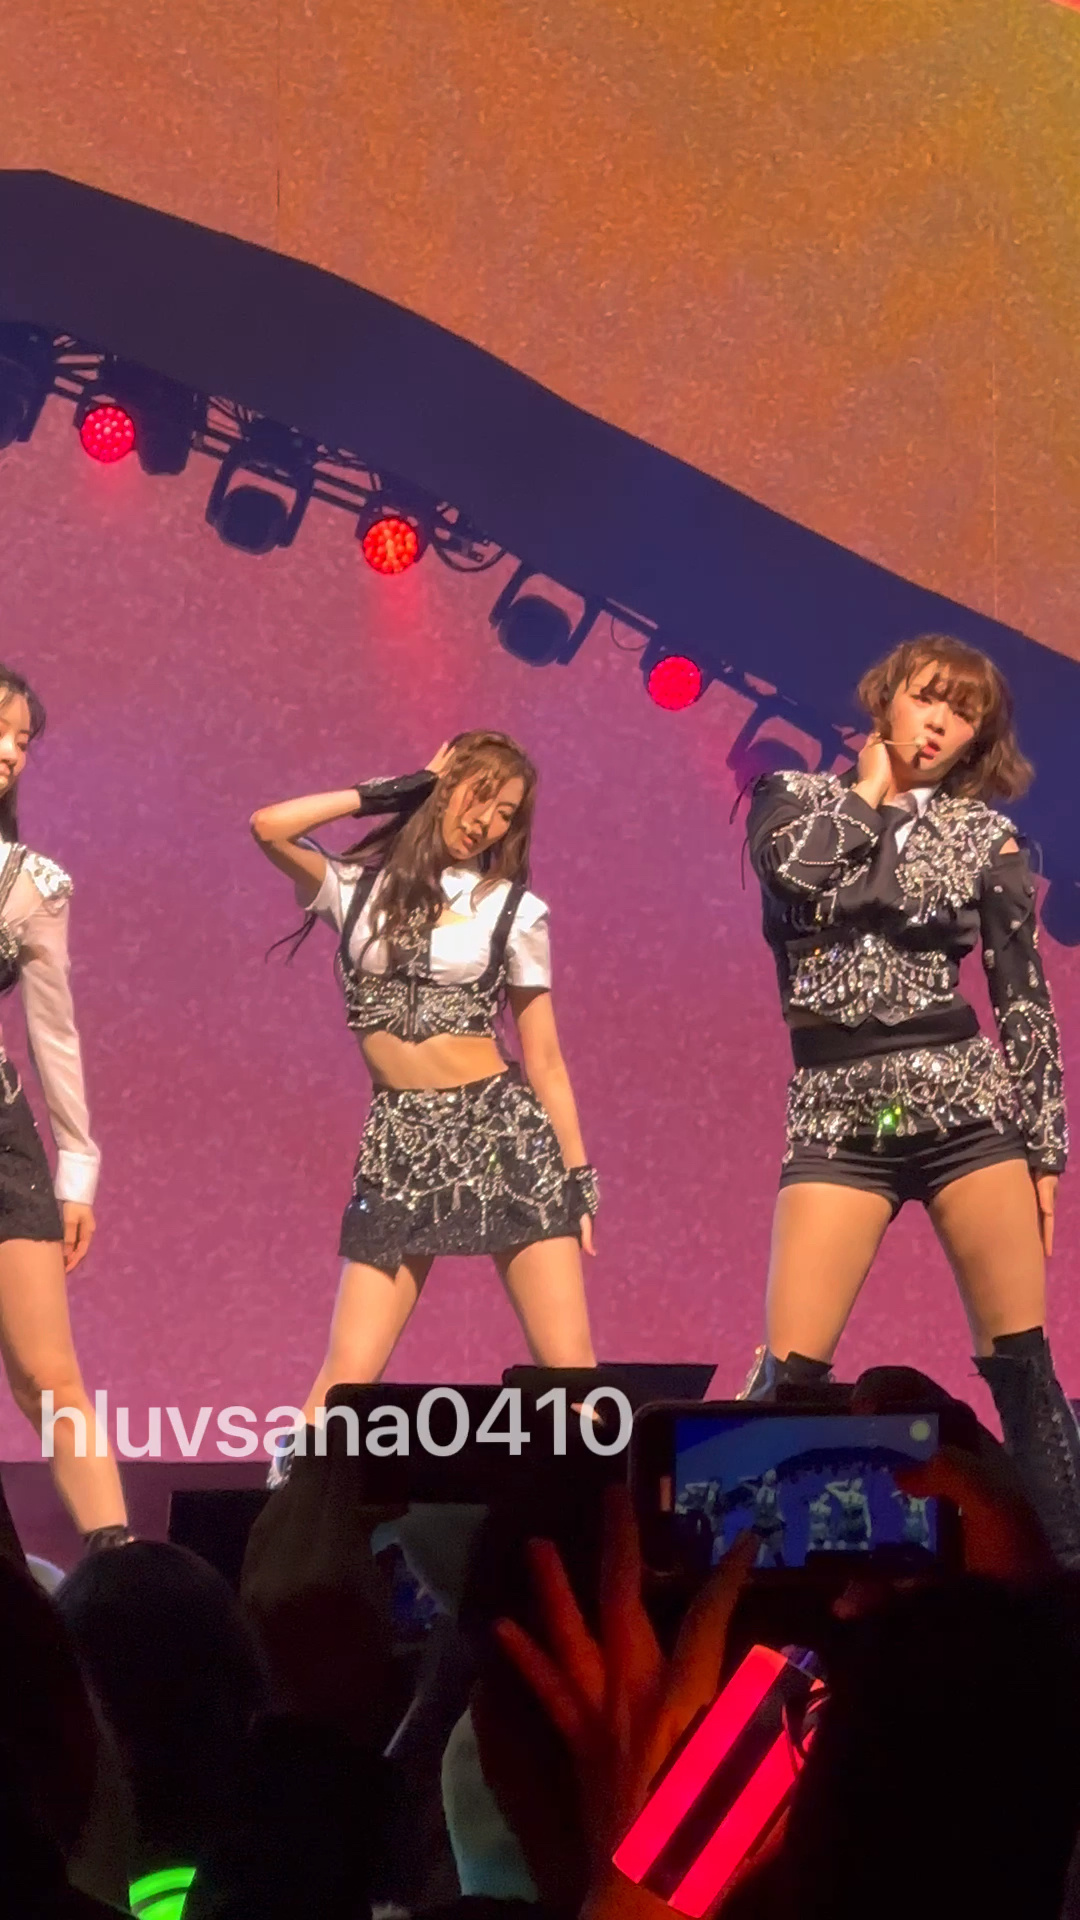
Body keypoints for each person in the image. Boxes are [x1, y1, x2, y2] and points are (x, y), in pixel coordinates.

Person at [741, 634, 1080, 1564]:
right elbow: (798, 881)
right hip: (836, 1116)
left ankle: (1069, 1581)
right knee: (789, 1376)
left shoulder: (986, 837)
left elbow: (1023, 999)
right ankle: (731, 1575)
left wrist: (1047, 1152)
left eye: (963, 714)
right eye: (926, 698)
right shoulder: (791, 800)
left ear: (979, 740)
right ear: (886, 695)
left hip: (968, 1115)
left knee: (1022, 1368)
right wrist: (866, 788)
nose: (938, 724)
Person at [250, 731, 598, 1444]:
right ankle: (282, 1508)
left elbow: (545, 1059)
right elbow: (268, 826)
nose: (486, 822)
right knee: (344, 1379)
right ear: (441, 786)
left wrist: (577, 1177)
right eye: (478, 796)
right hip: (399, 1140)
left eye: (506, 813)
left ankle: (631, 1507)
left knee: (574, 1382)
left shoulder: (512, 910)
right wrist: (393, 789)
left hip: (503, 1136)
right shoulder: (354, 889)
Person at [0, 667, 128, 1550]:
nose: (12, 751)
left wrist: (77, 1168)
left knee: (50, 1376)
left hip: (2, 1143)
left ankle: (126, 1579)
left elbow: (54, 1032)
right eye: (0, 729)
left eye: (23, 740)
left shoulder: (28, 880)